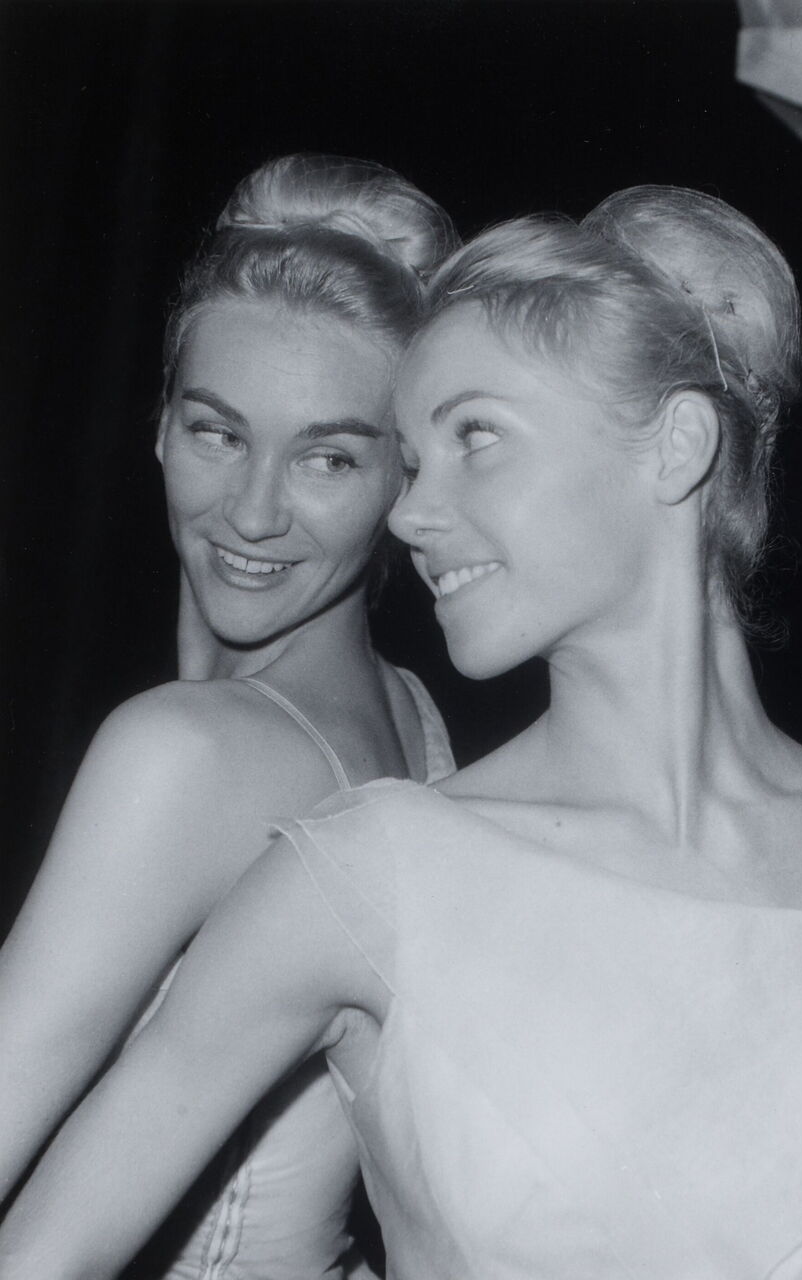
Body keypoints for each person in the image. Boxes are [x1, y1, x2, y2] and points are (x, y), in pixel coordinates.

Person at [4, 186, 802, 1280]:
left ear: (675, 447)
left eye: (475, 435)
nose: (406, 513)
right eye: (410, 459)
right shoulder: (365, 868)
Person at [0, 153, 456, 1278]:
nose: (252, 512)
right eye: (219, 431)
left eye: (327, 457)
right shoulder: (414, 718)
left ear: (404, 481)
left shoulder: (187, 753)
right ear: (160, 423)